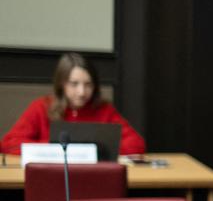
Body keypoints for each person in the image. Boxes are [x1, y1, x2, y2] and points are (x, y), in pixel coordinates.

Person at [1, 53, 146, 156]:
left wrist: (94, 150)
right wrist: (56, 149)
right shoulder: (42, 107)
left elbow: (136, 144)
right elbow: (9, 144)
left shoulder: (104, 110)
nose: (82, 92)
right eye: (74, 84)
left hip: (92, 179)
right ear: (62, 84)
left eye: (88, 84)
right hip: (52, 177)